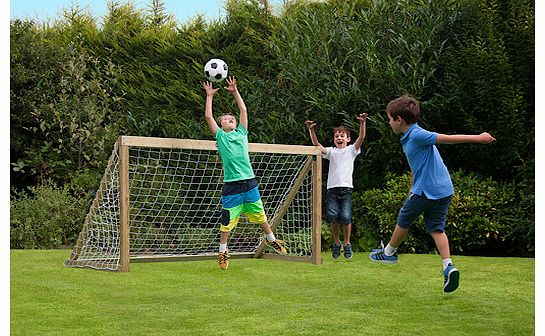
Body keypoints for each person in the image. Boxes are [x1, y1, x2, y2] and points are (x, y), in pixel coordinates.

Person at [369, 95, 495, 292]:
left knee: (404, 218)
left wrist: (479, 138)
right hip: (444, 190)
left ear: (399, 120)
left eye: (389, 119)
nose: (388, 122)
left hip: (428, 190)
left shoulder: (418, 134)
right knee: (436, 229)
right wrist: (412, 187)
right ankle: (448, 266)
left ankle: (389, 252)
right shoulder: (409, 139)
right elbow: (415, 166)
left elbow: (448, 139)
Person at [203, 77, 286, 270]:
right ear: (221, 124)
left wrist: (234, 91)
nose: (230, 119)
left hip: (249, 183)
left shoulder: (242, 133)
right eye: (225, 119)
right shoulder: (220, 137)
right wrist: (209, 96)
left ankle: (271, 239)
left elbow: (243, 110)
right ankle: (222, 252)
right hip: (231, 186)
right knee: (227, 222)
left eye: (232, 118)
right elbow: (208, 117)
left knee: (261, 215)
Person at [305, 113, 368, 259]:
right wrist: (311, 130)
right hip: (332, 189)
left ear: (348, 139)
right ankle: (336, 243)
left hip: (346, 189)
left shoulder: (352, 150)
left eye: (342, 136)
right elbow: (317, 146)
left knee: (345, 217)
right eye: (337, 137)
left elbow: (362, 138)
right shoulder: (332, 152)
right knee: (333, 216)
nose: (339, 138)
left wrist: (362, 123)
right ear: (334, 140)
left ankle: (346, 243)